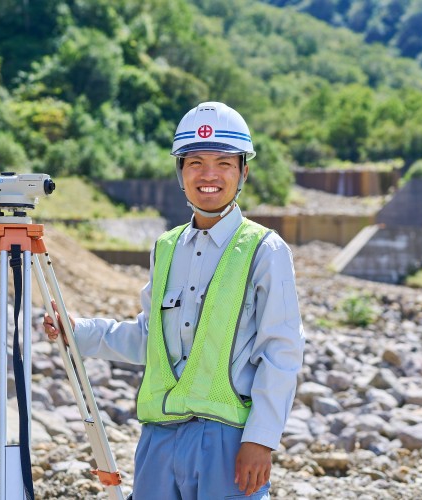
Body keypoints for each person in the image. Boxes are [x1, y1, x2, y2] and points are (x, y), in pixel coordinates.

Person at [44, 101, 305, 499]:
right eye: (195, 162)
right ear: (180, 172)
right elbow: (150, 339)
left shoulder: (265, 250)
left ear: (243, 171)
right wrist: (79, 332)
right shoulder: (165, 248)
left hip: (228, 439)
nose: (209, 175)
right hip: (159, 440)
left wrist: (262, 439)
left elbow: (281, 351)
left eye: (224, 163)